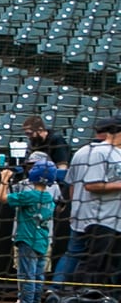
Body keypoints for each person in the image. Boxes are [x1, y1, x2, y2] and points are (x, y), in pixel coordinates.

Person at [52, 119, 116, 291]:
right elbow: (91, 185)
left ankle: (56, 290)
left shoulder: (81, 151)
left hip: (81, 211)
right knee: (93, 259)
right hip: (99, 215)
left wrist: (74, 206)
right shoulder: (103, 153)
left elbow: (71, 183)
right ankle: (78, 295)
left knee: (73, 253)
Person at [0, 162, 58, 303]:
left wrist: (4, 179)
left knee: (26, 275)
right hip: (43, 240)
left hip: (27, 239)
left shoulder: (30, 195)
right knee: (37, 275)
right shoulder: (49, 197)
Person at [69, 118, 121, 287]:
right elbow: (92, 185)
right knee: (92, 263)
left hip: (115, 219)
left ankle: (100, 302)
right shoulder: (99, 152)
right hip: (99, 218)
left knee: (108, 266)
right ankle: (81, 299)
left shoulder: (117, 153)